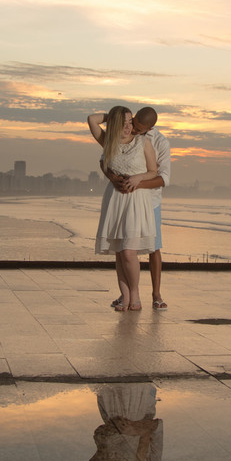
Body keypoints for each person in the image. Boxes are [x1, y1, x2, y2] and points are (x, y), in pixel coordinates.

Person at [88, 107, 158, 311]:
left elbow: (153, 171)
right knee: (119, 252)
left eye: (130, 122)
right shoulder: (108, 141)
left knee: (128, 252)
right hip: (116, 199)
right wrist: (115, 117)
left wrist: (138, 178)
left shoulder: (143, 142)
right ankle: (125, 296)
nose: (128, 127)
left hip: (136, 200)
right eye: (124, 123)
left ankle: (135, 293)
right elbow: (91, 119)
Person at [107, 107, 171, 310]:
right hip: (124, 200)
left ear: (150, 128)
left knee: (153, 247)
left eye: (140, 128)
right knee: (124, 248)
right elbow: (105, 160)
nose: (134, 129)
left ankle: (156, 294)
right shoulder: (126, 131)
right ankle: (127, 294)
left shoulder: (160, 142)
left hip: (150, 201)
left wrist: (136, 183)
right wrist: (114, 179)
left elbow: (163, 178)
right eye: (134, 123)